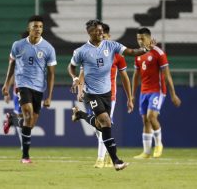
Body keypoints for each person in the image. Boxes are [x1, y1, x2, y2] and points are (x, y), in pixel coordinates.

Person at [68, 19, 154, 171]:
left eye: (101, 30)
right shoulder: (81, 51)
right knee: (106, 123)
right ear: (89, 32)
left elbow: (131, 52)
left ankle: (80, 115)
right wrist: (75, 79)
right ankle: (116, 160)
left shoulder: (112, 46)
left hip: (107, 93)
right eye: (97, 30)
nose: (100, 32)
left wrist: (145, 49)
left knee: (101, 125)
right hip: (91, 93)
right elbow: (71, 67)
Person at [76, 23, 133, 168]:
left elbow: (125, 77)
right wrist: (79, 89)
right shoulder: (89, 53)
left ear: (109, 37)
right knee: (102, 124)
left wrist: (130, 97)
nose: (102, 38)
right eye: (100, 34)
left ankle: (105, 157)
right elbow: (82, 73)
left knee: (102, 124)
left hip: (111, 95)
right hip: (93, 92)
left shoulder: (117, 54)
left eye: (104, 35)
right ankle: (103, 158)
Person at [2, 15, 57, 164]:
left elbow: (52, 74)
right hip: (22, 84)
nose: (38, 29)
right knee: (27, 114)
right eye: (35, 27)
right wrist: (7, 84)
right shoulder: (18, 45)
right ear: (29, 28)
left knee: (30, 123)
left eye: (40, 27)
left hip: (39, 88)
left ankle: (12, 120)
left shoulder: (48, 48)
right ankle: (25, 156)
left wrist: (49, 96)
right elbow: (12, 65)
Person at [132, 28, 181, 159]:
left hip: (157, 91)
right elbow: (136, 76)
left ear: (149, 38)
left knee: (151, 116)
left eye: (142, 38)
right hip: (144, 92)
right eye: (138, 39)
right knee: (145, 121)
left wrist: (173, 94)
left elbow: (167, 75)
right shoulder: (138, 55)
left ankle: (159, 145)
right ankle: (146, 152)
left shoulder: (158, 53)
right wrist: (132, 94)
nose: (140, 41)